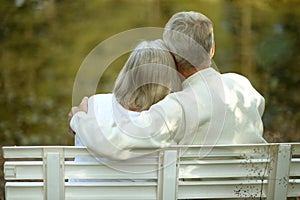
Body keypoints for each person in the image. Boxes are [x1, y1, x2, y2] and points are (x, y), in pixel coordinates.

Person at [69, 11, 266, 161]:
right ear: (212, 49)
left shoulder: (177, 107)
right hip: (257, 190)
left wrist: (79, 120)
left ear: (170, 56)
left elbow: (117, 143)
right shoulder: (242, 85)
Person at [69, 39, 182, 161]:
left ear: (128, 72)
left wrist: (78, 119)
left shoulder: (95, 105)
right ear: (169, 80)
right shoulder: (170, 122)